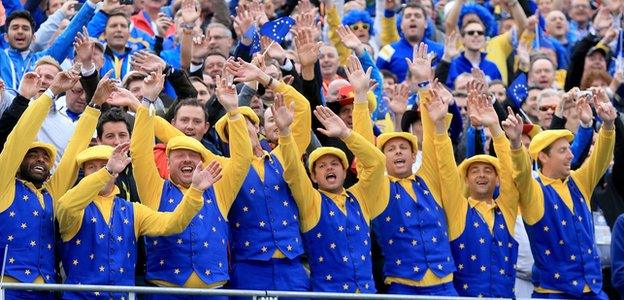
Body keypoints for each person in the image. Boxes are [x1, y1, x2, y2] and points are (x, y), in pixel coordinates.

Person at [121, 68, 252, 298]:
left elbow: (242, 159)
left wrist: (233, 111)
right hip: (165, 292)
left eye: (194, 155)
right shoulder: (154, 189)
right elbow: (140, 151)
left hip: (214, 292)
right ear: (167, 161)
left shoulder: (220, 188)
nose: (188, 159)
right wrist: (146, 101)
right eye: (180, 155)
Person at [57, 142, 220, 299]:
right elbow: (66, 206)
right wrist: (106, 171)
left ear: (117, 172)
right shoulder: (75, 208)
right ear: (84, 173)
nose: (98, 171)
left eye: (103, 166)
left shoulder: (133, 210)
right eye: (92, 167)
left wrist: (196, 191)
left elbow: (173, 223)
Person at [0, 67, 105, 299]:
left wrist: (95, 105)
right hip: (7, 289)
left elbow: (74, 150)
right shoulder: (3, 183)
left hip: (48, 289)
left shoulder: (51, 192)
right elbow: (19, 137)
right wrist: (52, 92)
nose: (40, 159)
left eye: (46, 156)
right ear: (19, 160)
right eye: (32, 154)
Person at [511, 87, 617, 299]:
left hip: (593, 290)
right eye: (562, 150)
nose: (571, 155)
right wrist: (515, 145)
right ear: (543, 156)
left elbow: (601, 158)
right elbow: (521, 172)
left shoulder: (578, 181)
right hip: (554, 293)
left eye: (569, 148)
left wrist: (608, 125)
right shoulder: (534, 191)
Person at [279, 100, 386, 293]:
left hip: (367, 293)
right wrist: (286, 133)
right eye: (321, 166)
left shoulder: (361, 196)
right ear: (313, 176)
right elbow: (293, 171)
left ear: (345, 172)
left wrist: (346, 134)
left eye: (335, 164)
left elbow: (377, 162)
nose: (329, 167)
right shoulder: (311, 201)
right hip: (328, 294)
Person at [429, 82, 520, 297]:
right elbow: (446, 170)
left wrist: (496, 129)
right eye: (474, 171)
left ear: (497, 180)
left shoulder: (506, 208)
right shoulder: (458, 208)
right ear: (466, 180)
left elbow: (510, 170)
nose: (481, 175)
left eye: (488, 171)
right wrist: (440, 126)